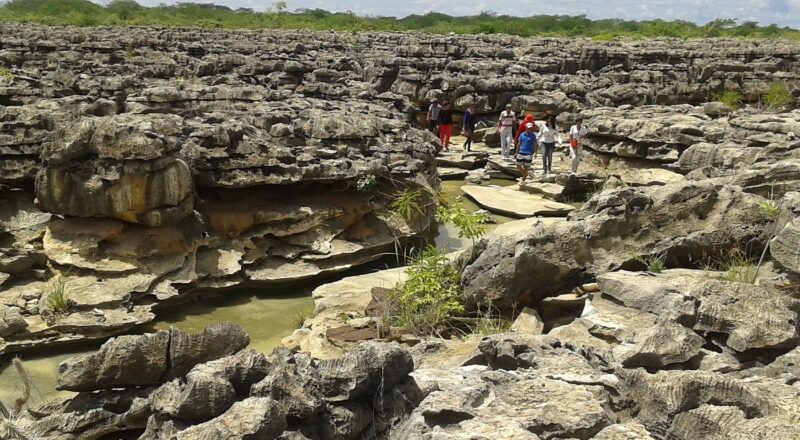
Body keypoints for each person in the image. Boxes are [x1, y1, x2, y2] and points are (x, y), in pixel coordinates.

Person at [516, 122, 538, 188]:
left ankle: (523, 180)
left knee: (526, 167)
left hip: (529, 153)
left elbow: (535, 144)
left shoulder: (533, 135)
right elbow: (519, 143)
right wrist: (516, 152)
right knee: (518, 165)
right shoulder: (522, 134)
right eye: (528, 128)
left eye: (531, 128)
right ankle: (525, 174)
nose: (530, 129)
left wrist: (536, 152)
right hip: (521, 152)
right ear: (525, 128)